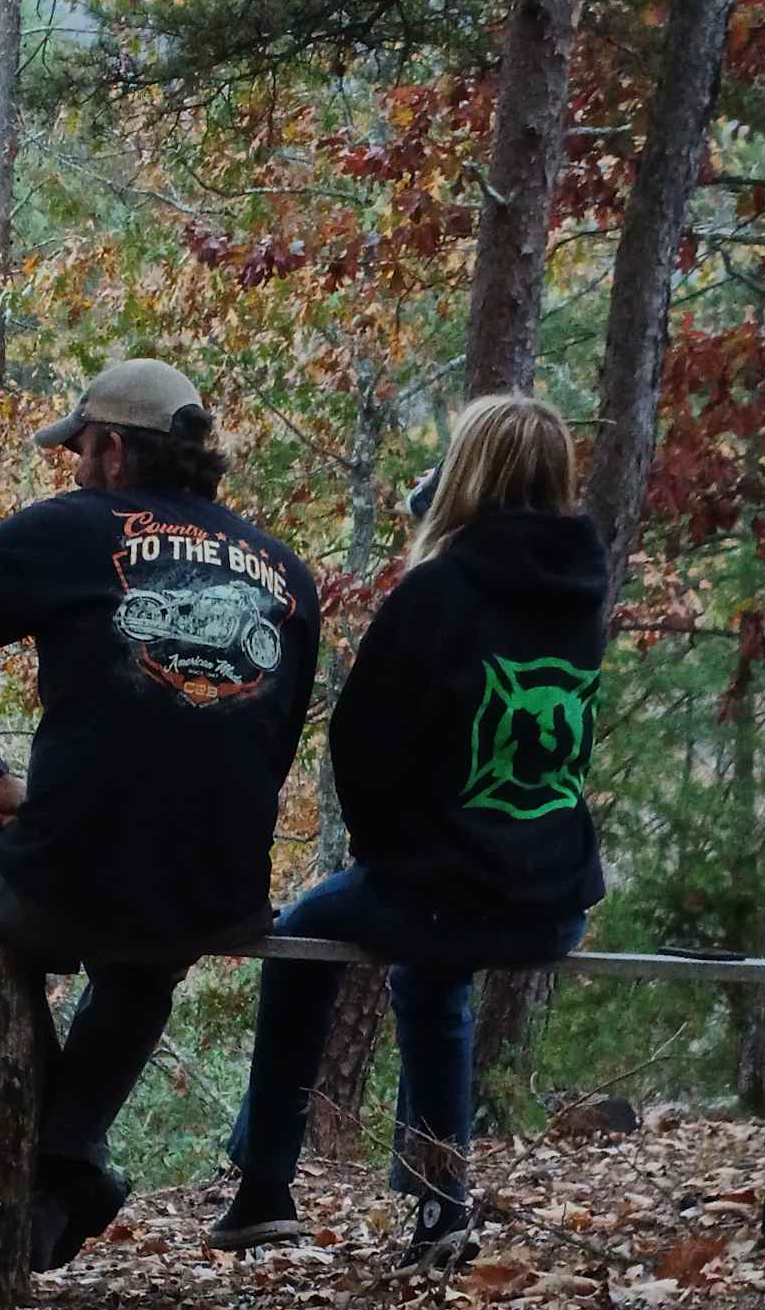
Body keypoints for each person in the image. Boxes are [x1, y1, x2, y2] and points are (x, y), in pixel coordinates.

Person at [0, 353, 319, 1267]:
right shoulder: (286, 574)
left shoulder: (73, 528)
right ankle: (64, 1153)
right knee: (144, 957)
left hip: (68, 880)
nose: (74, 467)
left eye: (78, 449)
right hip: (218, 896)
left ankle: (43, 1157)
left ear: (112, 449)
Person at [212, 389, 607, 1264]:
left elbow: (360, 742)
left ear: (467, 472)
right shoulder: (584, 588)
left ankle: (266, 1181)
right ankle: (437, 1211)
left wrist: (388, 852)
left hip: (448, 885)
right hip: (556, 891)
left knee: (307, 931)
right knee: (432, 977)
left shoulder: (440, 589)